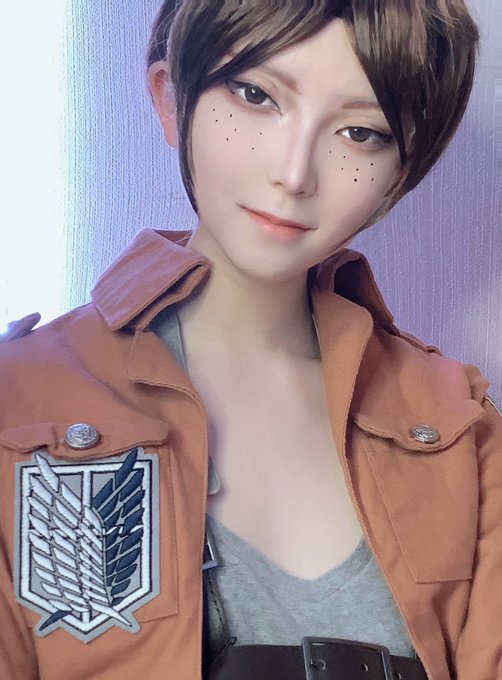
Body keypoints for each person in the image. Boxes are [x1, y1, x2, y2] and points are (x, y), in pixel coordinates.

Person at [0, 1, 499, 679]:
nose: (294, 174)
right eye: (256, 96)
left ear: (402, 168)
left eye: (361, 133)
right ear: (171, 99)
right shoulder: (23, 401)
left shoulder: (459, 426)